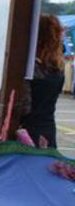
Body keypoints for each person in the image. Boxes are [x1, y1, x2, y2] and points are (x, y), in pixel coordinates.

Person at [20, 13, 65, 148]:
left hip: (26, 134)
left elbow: (24, 108)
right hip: (48, 130)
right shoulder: (58, 68)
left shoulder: (30, 69)